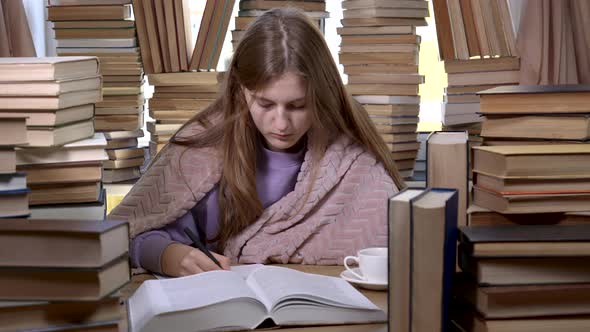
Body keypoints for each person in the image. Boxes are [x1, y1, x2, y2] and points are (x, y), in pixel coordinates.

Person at [108, 7, 405, 277]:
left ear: (322, 95)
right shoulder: (201, 148)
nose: (281, 124)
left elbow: (397, 248)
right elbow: (130, 233)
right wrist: (166, 255)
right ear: (240, 91)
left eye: (298, 106)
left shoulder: (352, 159)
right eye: (265, 104)